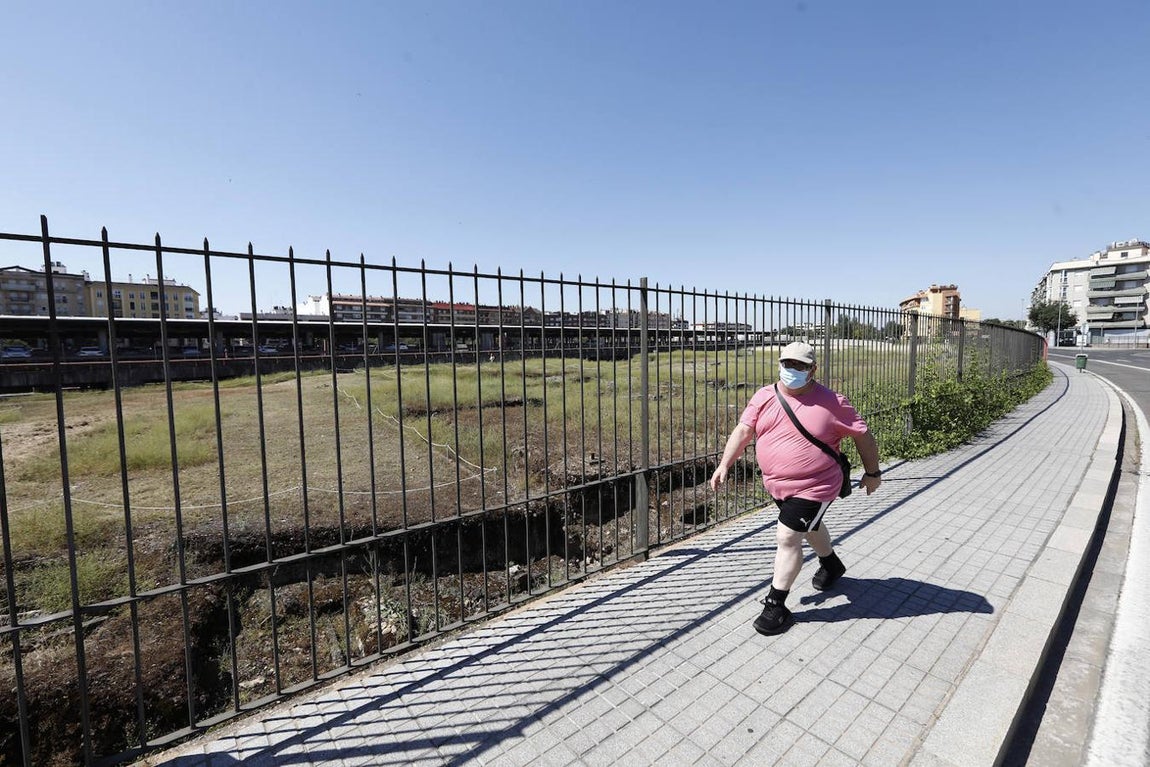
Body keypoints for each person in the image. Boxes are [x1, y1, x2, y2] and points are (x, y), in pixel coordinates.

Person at [709, 341, 882, 636]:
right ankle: (831, 564)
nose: (793, 370)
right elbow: (744, 430)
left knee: (788, 536)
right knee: (809, 527)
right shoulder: (764, 396)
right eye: (788, 364)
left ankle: (776, 605)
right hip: (778, 486)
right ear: (779, 364)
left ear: (813, 369)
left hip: (817, 484)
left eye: (800, 365)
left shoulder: (833, 402)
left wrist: (873, 473)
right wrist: (725, 464)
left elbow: (863, 437)